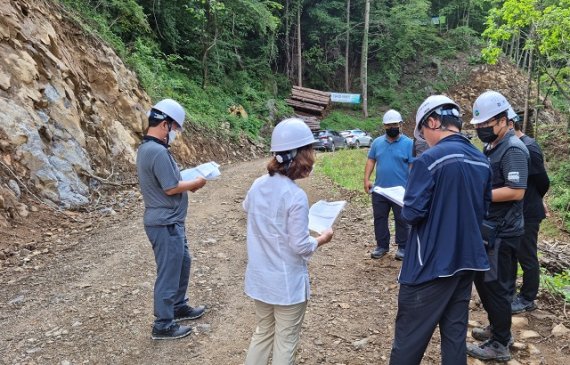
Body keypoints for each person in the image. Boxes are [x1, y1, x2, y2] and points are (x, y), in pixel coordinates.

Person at [388, 95, 492, 365]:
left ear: (433, 122)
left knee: (409, 341)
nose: (423, 138)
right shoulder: (482, 161)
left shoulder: (428, 161)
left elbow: (411, 213)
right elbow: (484, 210)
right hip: (466, 262)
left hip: (429, 266)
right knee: (454, 337)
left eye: (423, 131)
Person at [243, 118, 334, 365]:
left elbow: (247, 208)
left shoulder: (258, 184)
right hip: (286, 285)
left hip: (260, 280)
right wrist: (321, 239)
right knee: (285, 340)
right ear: (300, 156)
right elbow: (300, 246)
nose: (313, 157)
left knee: (262, 333)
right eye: (310, 151)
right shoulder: (295, 196)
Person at [136, 99, 207, 340]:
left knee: (182, 263)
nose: (176, 134)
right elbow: (170, 187)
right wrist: (196, 183)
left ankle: (177, 306)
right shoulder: (156, 151)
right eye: (175, 128)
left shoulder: (151, 149)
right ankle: (163, 324)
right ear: (165, 124)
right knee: (169, 272)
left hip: (171, 222)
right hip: (165, 223)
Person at [467, 91, 529, 362]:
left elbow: (516, 191)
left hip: (504, 232)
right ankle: (498, 327)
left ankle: (500, 343)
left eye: (486, 125)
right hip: (490, 227)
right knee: (486, 282)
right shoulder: (492, 146)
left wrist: (478, 194)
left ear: (504, 120)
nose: (481, 130)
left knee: (497, 286)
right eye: (478, 126)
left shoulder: (513, 149)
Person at [507, 109, 550, 314]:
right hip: (515, 211)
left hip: (529, 212)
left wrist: (537, 199)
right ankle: (512, 293)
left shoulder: (529, 148)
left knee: (527, 255)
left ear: (510, 124)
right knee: (512, 253)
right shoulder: (509, 147)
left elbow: (543, 182)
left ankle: (527, 297)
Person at [364, 109, 413, 260]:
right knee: (380, 218)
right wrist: (366, 179)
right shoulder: (377, 143)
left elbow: (412, 166)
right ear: (384, 126)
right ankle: (382, 246)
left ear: (400, 125)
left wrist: (411, 186)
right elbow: (371, 160)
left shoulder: (409, 144)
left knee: (402, 219)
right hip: (380, 189)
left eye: (394, 124)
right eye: (388, 125)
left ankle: (403, 247)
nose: (391, 128)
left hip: (401, 190)